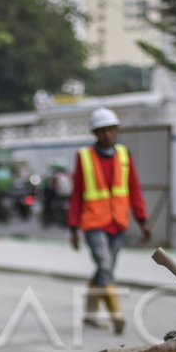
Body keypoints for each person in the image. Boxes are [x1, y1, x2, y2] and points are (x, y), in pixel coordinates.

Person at [68, 108, 151, 334]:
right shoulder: (84, 158)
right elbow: (77, 194)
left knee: (105, 270)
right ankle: (117, 316)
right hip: (94, 224)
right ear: (95, 133)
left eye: (112, 130)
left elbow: (134, 190)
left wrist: (142, 220)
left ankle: (89, 313)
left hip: (118, 223)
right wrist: (73, 227)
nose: (108, 135)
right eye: (103, 131)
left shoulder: (124, 156)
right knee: (105, 268)